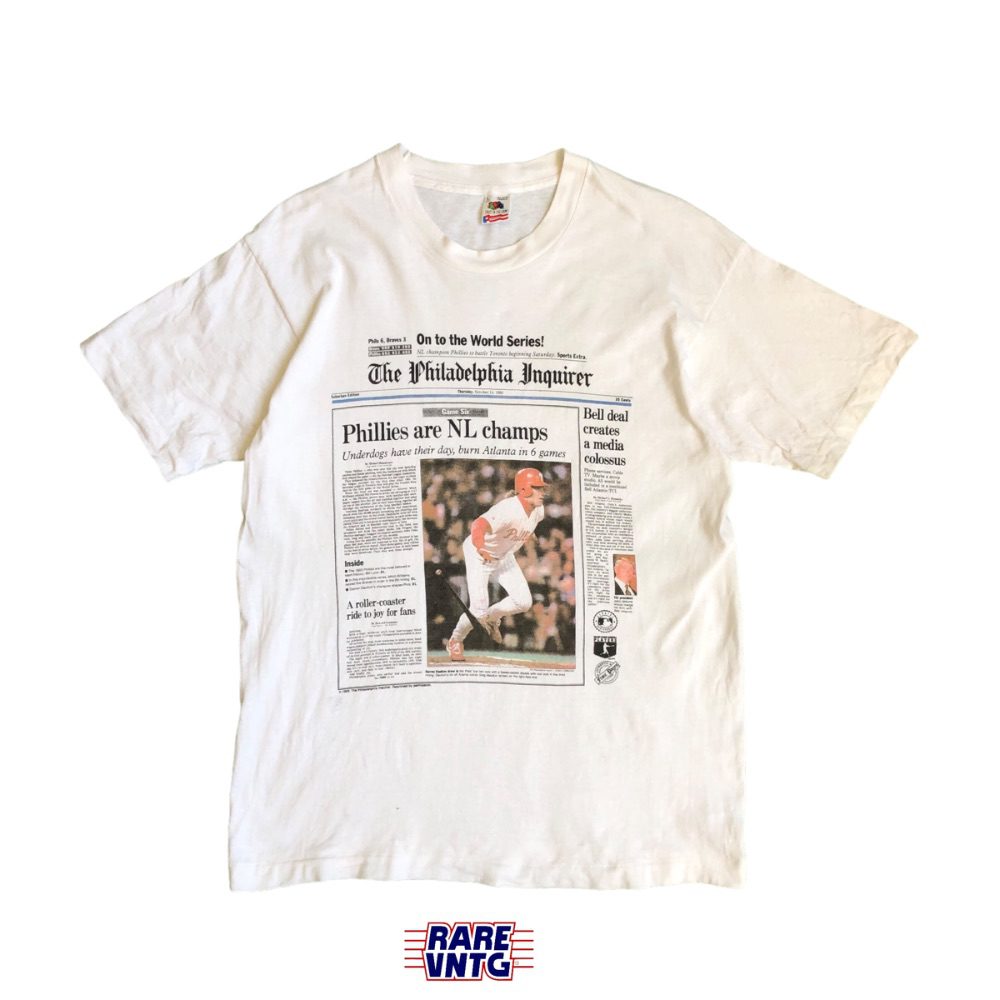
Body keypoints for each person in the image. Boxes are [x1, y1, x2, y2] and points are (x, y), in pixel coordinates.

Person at [445, 468, 547, 661]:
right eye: (537, 487)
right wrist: (481, 547)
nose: (542, 492)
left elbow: (526, 524)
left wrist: (529, 534)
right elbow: (478, 525)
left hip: (504, 555)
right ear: (524, 489)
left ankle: (491, 618)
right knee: (477, 611)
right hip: (479, 554)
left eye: (543, 488)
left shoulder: (538, 510)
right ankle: (456, 640)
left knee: (524, 602)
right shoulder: (507, 510)